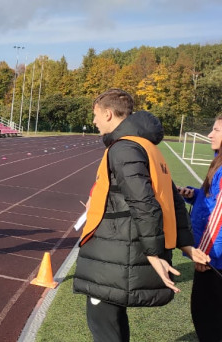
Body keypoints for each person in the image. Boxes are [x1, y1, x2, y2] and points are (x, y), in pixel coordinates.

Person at [72, 88, 208, 342]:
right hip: (122, 251)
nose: (94, 122)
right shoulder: (149, 147)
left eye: (96, 115)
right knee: (113, 321)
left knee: (104, 324)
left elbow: (144, 202)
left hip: (117, 253)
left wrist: (154, 252)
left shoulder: (123, 148)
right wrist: (185, 243)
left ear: (109, 114)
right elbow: (172, 199)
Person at [178, 116, 222, 342]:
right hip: (214, 256)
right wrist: (193, 194)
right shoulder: (219, 161)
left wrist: (202, 253)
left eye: (216, 130)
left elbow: (220, 213)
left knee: (207, 319)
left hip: (214, 259)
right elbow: (213, 201)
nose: (210, 134)